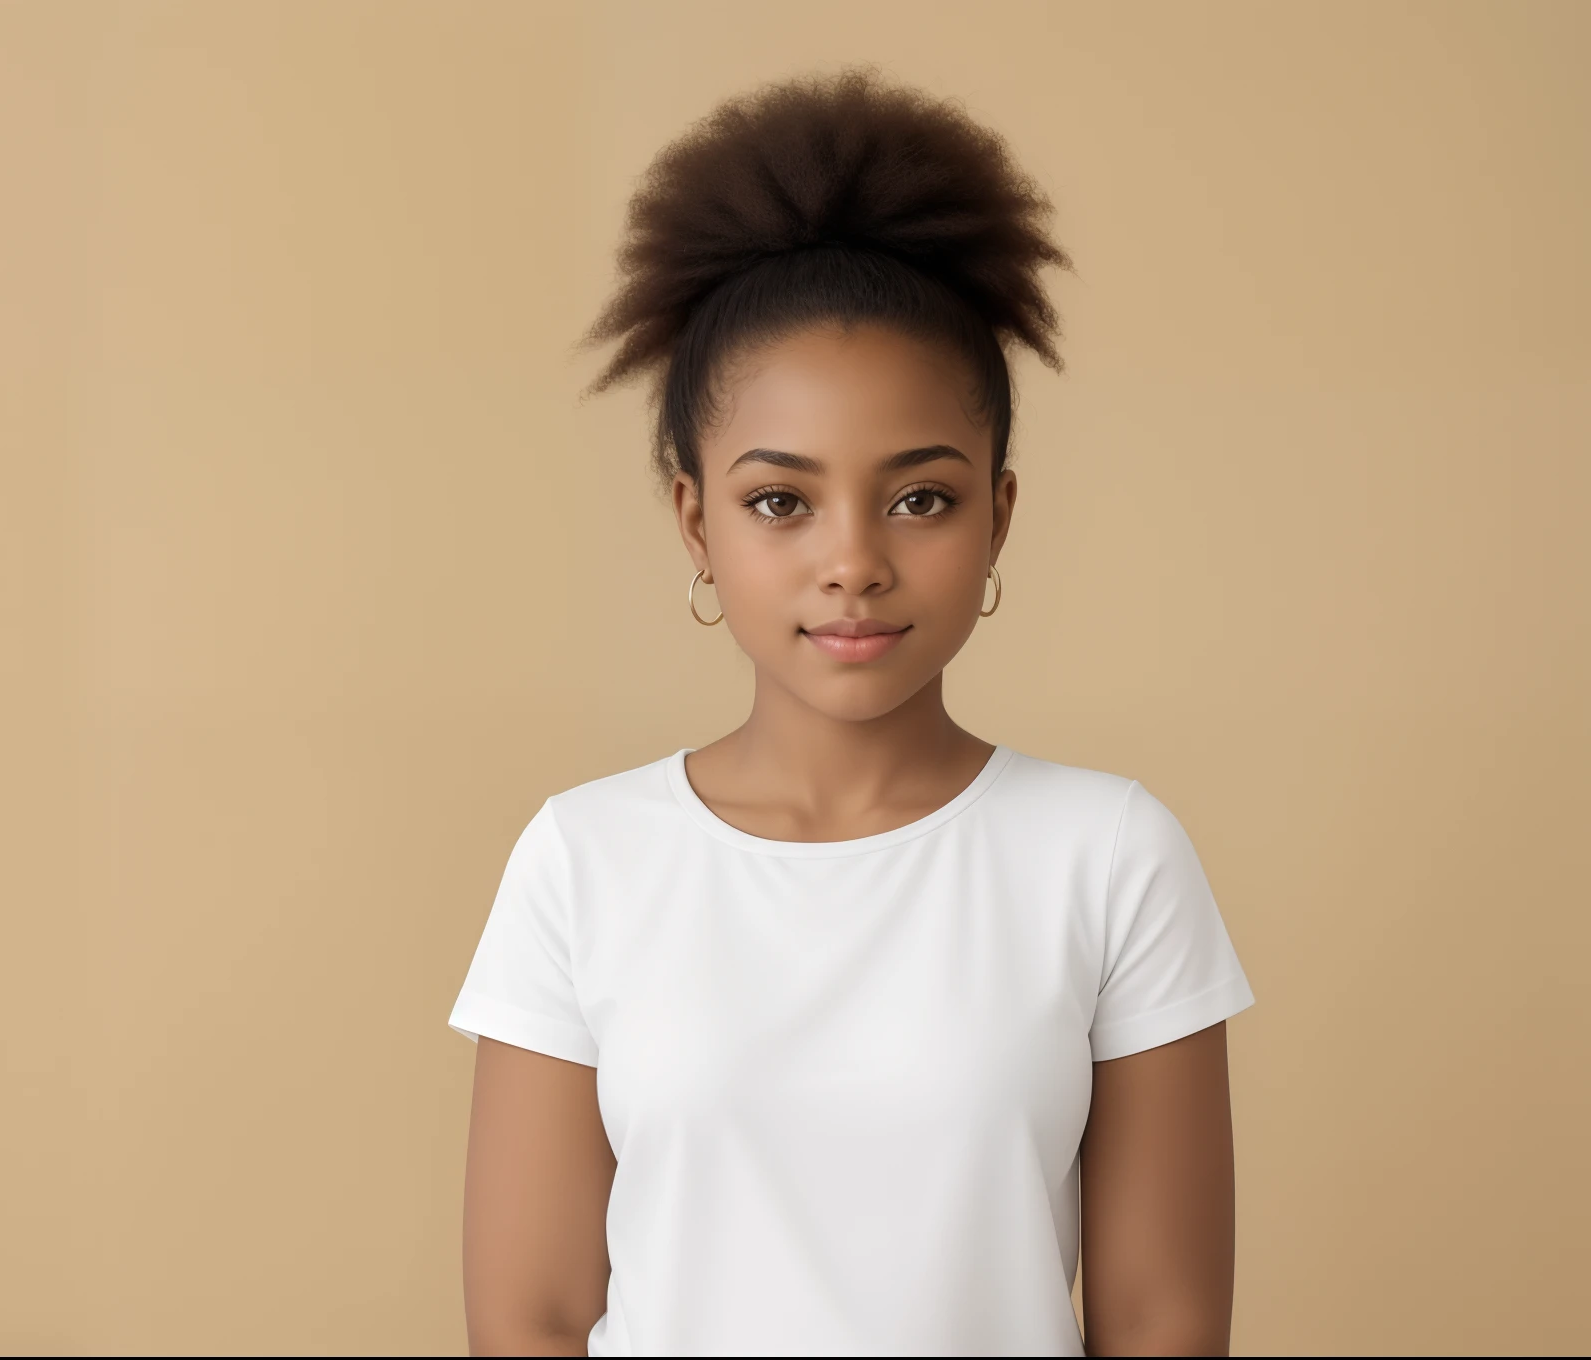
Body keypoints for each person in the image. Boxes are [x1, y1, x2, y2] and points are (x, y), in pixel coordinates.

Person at [448, 67, 1253, 1358]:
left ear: (1000, 509)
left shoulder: (1109, 857)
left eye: (920, 498)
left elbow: (1162, 1324)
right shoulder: (582, 862)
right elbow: (530, 1318)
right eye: (781, 501)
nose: (853, 561)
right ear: (693, 520)